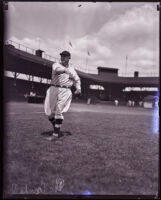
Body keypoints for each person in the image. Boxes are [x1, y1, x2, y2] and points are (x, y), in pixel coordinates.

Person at [44, 50, 81, 140]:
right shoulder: (56, 65)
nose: (63, 57)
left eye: (65, 56)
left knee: (59, 111)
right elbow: (57, 70)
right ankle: (57, 127)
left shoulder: (72, 69)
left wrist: (78, 88)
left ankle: (55, 135)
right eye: (62, 56)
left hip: (66, 91)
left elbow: (77, 80)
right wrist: (65, 70)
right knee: (49, 113)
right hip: (53, 88)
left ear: (69, 58)